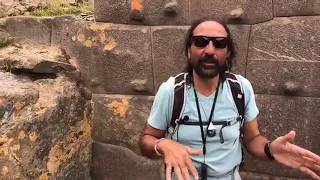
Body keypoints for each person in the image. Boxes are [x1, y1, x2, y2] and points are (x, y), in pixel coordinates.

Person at [138, 17, 320, 180]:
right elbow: (146, 140)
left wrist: (270, 149)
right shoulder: (172, 91)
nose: (210, 50)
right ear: (188, 50)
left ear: (227, 53)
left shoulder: (240, 89)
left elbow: (252, 138)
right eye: (201, 42)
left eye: (219, 43)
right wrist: (163, 144)